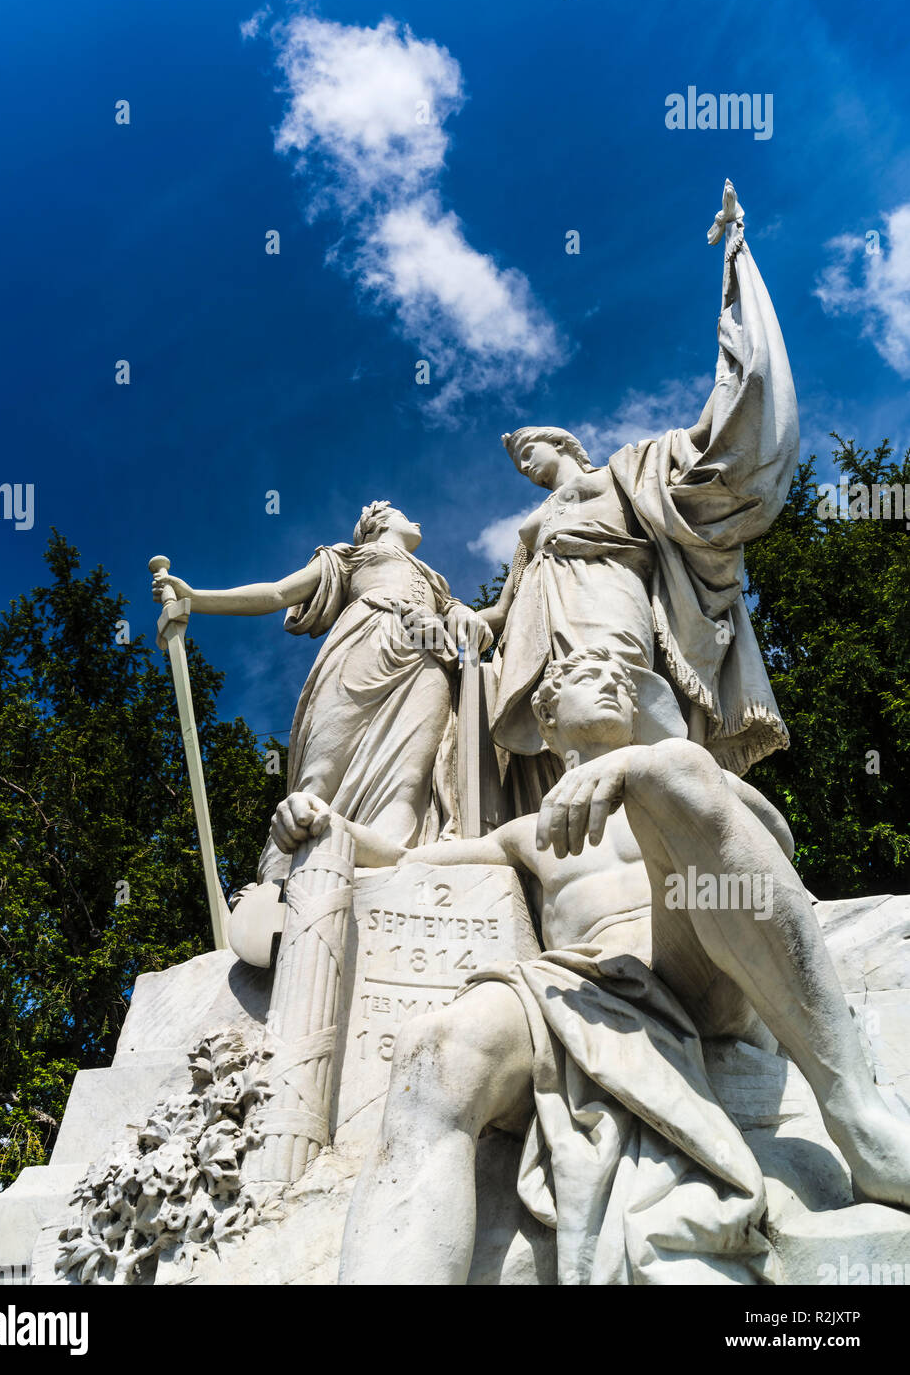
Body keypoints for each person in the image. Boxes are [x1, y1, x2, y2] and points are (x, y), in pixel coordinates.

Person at [271, 647, 910, 1285]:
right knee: (433, 1049)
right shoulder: (524, 832)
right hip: (582, 986)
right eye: (584, 676)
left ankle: (854, 1108)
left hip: (701, 963)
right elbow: (410, 861)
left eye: (620, 682)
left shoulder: (684, 774)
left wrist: (638, 770)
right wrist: (331, 826)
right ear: (547, 721)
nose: (609, 683)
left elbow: (769, 850)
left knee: (678, 766)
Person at [477, 184, 799, 811]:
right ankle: (578, 843)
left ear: (561, 444)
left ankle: (654, 825)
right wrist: (462, 622)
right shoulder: (530, 529)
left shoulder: (626, 471)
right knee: (560, 717)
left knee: (615, 687)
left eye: (528, 454)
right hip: (540, 618)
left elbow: (706, 453)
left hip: (609, 587)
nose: (525, 467)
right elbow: (503, 608)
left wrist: (734, 289)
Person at [153, 501, 492, 871]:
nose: (417, 519)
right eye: (401, 513)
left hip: (428, 657)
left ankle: (390, 870)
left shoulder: (436, 583)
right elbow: (279, 594)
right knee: (324, 764)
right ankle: (284, 876)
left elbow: (468, 619)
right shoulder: (348, 556)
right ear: (376, 524)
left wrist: (464, 616)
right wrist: (195, 598)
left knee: (410, 776)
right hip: (367, 641)